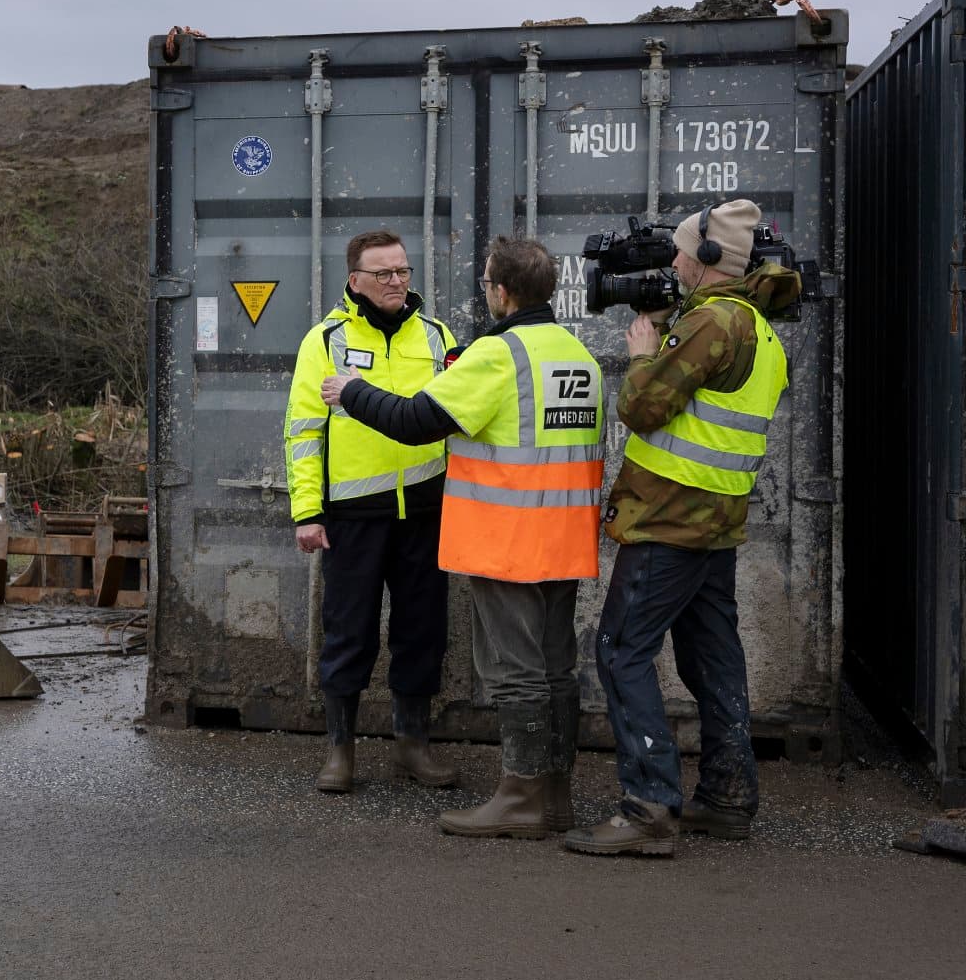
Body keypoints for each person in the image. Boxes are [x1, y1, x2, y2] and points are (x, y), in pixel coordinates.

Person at [322, 237, 603, 838]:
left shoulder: (498, 354)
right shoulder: (577, 353)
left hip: (510, 539)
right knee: (557, 670)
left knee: (518, 672)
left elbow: (415, 422)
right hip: (564, 538)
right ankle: (554, 796)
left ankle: (520, 798)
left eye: (485, 283)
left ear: (501, 292)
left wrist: (351, 392)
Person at [559, 198, 799, 859]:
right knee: (711, 657)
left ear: (711, 258)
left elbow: (642, 408)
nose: (675, 262)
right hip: (715, 520)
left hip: (669, 519)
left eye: (684, 252)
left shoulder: (712, 324)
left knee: (619, 650)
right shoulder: (756, 326)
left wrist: (642, 351)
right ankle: (726, 795)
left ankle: (649, 805)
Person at [284, 230, 458, 793]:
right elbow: (304, 432)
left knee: (422, 631)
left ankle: (413, 746)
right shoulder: (326, 339)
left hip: (426, 510)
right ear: (354, 279)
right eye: (382, 273)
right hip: (353, 515)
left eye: (403, 271)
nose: (396, 282)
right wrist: (307, 513)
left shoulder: (436, 335)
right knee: (349, 632)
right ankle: (340, 752)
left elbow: (459, 419)